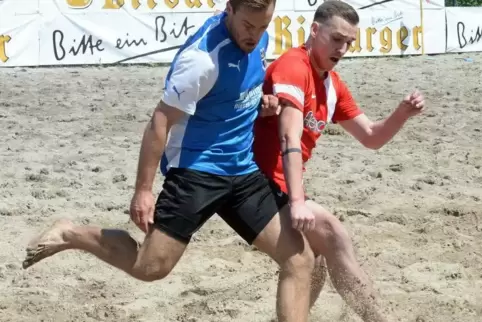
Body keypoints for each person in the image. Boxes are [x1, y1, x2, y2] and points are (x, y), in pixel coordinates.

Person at [21, 1, 318, 321]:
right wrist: (143, 191)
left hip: (242, 170)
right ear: (230, 9)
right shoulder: (201, 60)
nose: (256, 35)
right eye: (249, 26)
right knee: (149, 267)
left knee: (299, 260)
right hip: (196, 171)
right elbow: (159, 122)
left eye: (263, 27)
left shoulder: (256, 34)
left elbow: (229, 90)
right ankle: (70, 233)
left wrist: (259, 103)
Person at [253, 1, 426, 322]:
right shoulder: (294, 66)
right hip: (251, 184)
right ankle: (379, 319)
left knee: (314, 258)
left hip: (277, 185)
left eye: (349, 43)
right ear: (315, 31)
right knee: (332, 233)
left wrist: (402, 114)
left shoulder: (331, 84)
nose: (343, 48)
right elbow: (288, 138)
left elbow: (372, 137)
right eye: (337, 39)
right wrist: (299, 201)